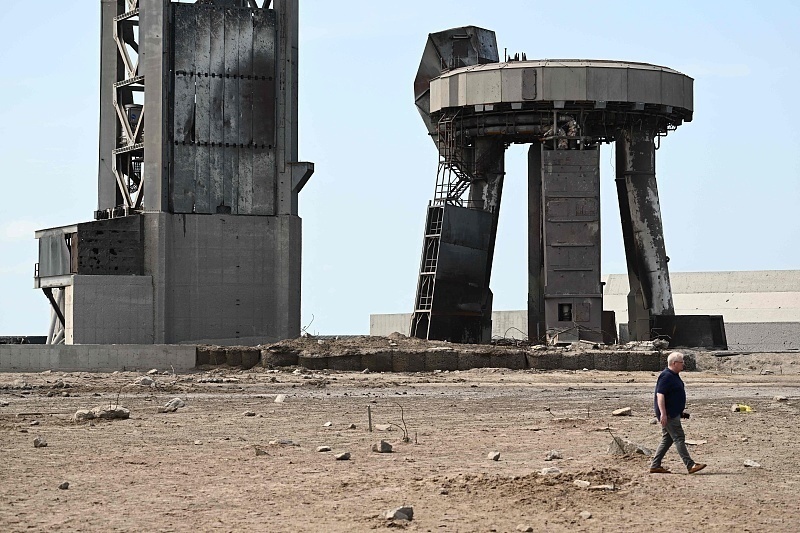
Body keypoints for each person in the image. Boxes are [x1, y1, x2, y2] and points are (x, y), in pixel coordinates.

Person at [649, 351, 706, 474]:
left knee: (667, 439)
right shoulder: (666, 376)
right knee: (679, 437)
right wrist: (663, 413)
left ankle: (655, 465)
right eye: (681, 362)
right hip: (669, 414)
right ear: (674, 363)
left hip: (672, 413)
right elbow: (660, 395)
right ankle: (690, 465)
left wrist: (680, 412)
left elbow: (673, 395)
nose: (683, 364)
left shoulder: (674, 375)